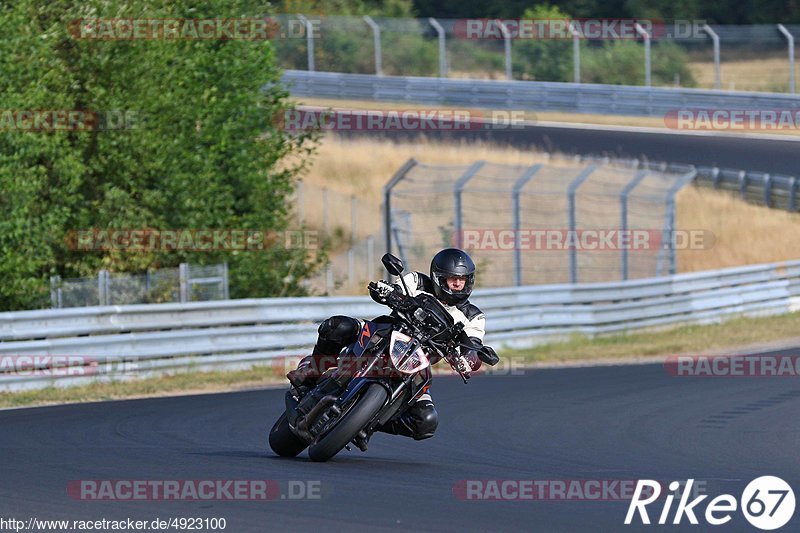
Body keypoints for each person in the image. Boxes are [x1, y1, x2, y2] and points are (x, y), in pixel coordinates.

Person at [286, 248, 499, 441]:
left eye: (462, 280)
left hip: (419, 361)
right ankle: (311, 372)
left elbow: (473, 344)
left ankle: (367, 422)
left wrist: (469, 359)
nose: (457, 284)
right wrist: (385, 291)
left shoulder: (474, 317)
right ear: (437, 277)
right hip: (386, 333)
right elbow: (394, 289)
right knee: (337, 326)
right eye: (452, 279)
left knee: (426, 422)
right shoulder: (416, 282)